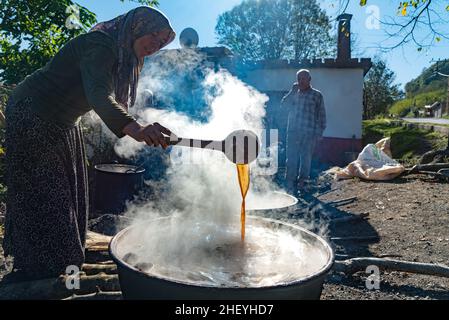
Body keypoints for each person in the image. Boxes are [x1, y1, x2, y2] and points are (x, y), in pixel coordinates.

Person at [2, 6, 176, 281]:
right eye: (154, 35)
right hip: (32, 112)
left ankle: (63, 256)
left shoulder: (123, 58)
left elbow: (118, 102)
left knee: (70, 190)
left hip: (63, 121)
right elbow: (99, 96)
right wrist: (138, 129)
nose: (156, 44)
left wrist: (145, 126)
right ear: (136, 27)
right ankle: (37, 269)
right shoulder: (100, 45)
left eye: (163, 41)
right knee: (46, 190)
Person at [280, 69, 326, 194]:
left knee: (306, 158)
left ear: (309, 79)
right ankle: (290, 185)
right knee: (291, 159)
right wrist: (291, 92)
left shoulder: (317, 95)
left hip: (309, 132)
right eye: (299, 79)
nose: (301, 81)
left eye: (303, 78)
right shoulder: (293, 93)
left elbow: (321, 115)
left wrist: (319, 132)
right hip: (293, 131)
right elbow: (283, 106)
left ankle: (303, 184)